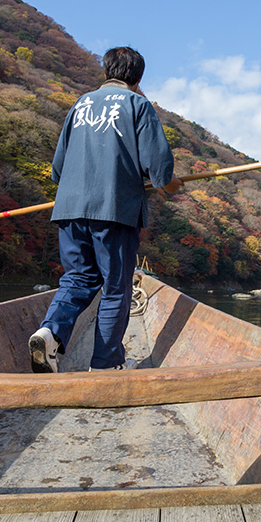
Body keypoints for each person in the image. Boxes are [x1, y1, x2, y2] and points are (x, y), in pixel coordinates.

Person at [29, 47, 183, 374]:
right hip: (113, 210)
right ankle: (105, 365)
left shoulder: (79, 105)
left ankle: (50, 332)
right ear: (138, 78)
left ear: (104, 73)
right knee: (115, 288)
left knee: (77, 278)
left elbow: (58, 169)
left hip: (69, 208)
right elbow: (160, 170)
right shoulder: (138, 105)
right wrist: (171, 185)